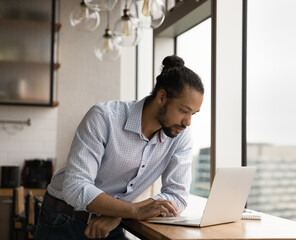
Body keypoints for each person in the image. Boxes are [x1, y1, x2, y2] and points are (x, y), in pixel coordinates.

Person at [35, 55, 204, 240]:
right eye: (183, 111)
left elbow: (177, 196)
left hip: (111, 222)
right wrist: (132, 210)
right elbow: (76, 187)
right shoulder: (104, 117)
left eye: (193, 114)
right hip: (64, 219)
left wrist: (119, 213)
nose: (187, 122)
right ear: (162, 97)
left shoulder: (180, 136)